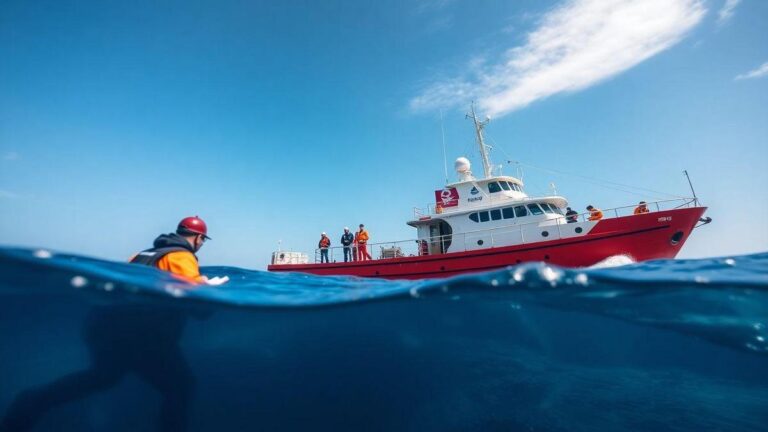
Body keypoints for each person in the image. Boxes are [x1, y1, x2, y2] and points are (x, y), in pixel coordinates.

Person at [129, 216, 226, 285]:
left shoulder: (140, 254)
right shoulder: (182, 256)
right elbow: (192, 288)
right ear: (198, 238)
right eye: (203, 239)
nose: (202, 243)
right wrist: (205, 282)